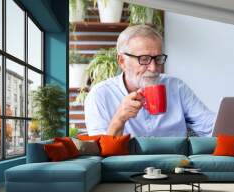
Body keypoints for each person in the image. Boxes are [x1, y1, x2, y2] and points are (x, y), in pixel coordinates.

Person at [84, 25, 215, 137]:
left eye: (158, 58)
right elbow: (99, 150)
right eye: (144, 59)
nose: (153, 68)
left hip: (176, 164)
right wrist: (119, 119)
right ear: (122, 61)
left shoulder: (176, 87)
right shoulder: (100, 95)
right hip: (128, 166)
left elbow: (210, 126)